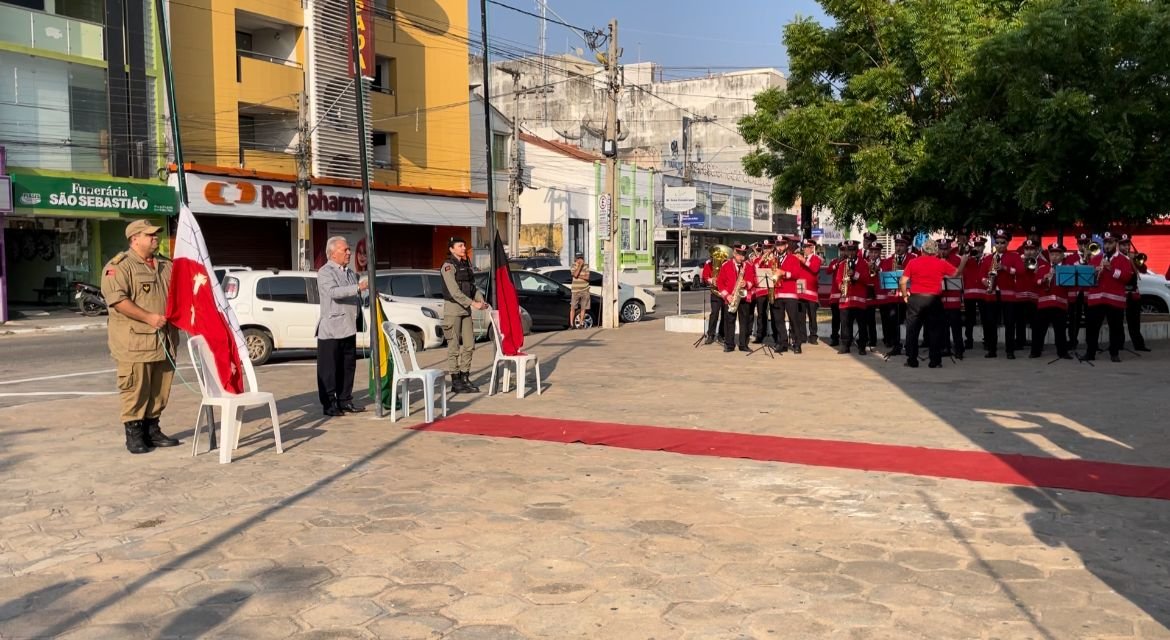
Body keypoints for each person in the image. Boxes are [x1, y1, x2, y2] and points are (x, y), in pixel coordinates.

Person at [101, 219, 182, 454]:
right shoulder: (119, 266)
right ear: (134, 239)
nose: (155, 238)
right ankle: (134, 434)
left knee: (159, 389)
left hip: (164, 340)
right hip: (134, 341)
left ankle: (152, 429)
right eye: (150, 235)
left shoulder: (166, 265)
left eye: (156, 234)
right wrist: (148, 317)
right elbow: (117, 300)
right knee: (135, 389)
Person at [317, 236, 368, 416]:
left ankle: (345, 399)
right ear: (332, 253)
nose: (349, 253)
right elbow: (333, 292)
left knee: (348, 366)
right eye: (344, 250)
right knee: (329, 369)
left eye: (348, 249)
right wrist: (357, 288)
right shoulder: (325, 272)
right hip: (331, 328)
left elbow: (355, 294)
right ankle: (329, 404)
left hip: (348, 326)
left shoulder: (349, 272)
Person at [898, 239, 968, 368]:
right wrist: (963, 261)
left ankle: (912, 360)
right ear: (935, 251)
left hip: (916, 299)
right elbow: (957, 274)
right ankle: (935, 361)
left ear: (922, 250)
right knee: (935, 330)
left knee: (912, 330)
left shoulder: (913, 262)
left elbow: (902, 282)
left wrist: (904, 296)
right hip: (934, 299)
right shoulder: (941, 263)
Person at [441, 237, 488, 391]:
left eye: (464, 245)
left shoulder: (466, 264)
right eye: (460, 246)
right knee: (454, 347)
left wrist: (480, 300)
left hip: (466, 310)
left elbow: (472, 287)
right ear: (451, 249)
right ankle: (455, 381)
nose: (463, 248)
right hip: (453, 310)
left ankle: (465, 376)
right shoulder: (448, 266)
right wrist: (473, 303)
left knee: (469, 345)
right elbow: (454, 292)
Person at [1085, 231, 1134, 362]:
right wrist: (1094, 272)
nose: (1107, 245)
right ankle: (1090, 353)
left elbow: (1126, 278)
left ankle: (1114, 352)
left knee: (1115, 328)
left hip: (1115, 300)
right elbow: (1087, 279)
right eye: (1105, 243)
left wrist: (1111, 268)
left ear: (1116, 244)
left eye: (1110, 242)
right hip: (1096, 299)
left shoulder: (1124, 260)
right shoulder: (1096, 259)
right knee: (1092, 327)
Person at [981, 229, 1024, 359]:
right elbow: (981, 275)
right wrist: (986, 282)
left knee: (1010, 323)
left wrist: (1005, 268)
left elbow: (1021, 271)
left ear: (1007, 243)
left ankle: (1009, 351)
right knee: (991, 323)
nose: (1000, 245)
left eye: (1002, 243)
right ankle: (992, 350)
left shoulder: (1014, 256)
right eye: (997, 243)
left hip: (1008, 295)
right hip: (992, 294)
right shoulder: (989, 258)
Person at [1031, 243, 1073, 359]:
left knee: (1060, 330)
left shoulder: (1066, 268)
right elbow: (1036, 282)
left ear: (1062, 255)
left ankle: (1062, 352)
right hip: (1044, 304)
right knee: (1039, 329)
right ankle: (1035, 351)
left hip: (1060, 304)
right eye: (1052, 254)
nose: (1054, 256)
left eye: (1057, 254)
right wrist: (1044, 278)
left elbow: (1071, 285)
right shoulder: (1043, 267)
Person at [879, 234, 915, 355]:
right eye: (897, 245)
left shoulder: (912, 258)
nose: (898, 247)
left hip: (909, 296)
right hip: (894, 297)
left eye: (901, 245)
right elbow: (883, 275)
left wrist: (902, 271)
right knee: (893, 321)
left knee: (911, 322)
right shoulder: (889, 260)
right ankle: (896, 345)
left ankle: (910, 345)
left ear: (907, 246)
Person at [717, 243, 756, 353]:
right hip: (730, 297)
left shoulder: (748, 266)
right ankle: (729, 344)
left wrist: (746, 283)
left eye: (743, 254)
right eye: (739, 254)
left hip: (743, 297)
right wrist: (727, 295)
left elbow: (753, 280)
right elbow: (720, 283)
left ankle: (743, 344)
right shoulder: (726, 265)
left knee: (744, 322)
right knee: (729, 321)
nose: (741, 257)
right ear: (734, 253)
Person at [770, 236, 806, 353]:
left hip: (790, 294)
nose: (779, 247)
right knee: (778, 320)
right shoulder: (773, 259)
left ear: (786, 246)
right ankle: (783, 343)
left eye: (782, 245)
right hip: (777, 293)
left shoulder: (793, 258)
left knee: (794, 320)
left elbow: (797, 274)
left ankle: (797, 344)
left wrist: (783, 273)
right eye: (778, 245)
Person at [836, 240, 872, 355]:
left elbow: (867, 279)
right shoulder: (842, 264)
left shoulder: (863, 263)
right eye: (848, 250)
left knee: (862, 325)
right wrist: (840, 286)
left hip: (859, 301)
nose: (850, 252)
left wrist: (855, 275)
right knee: (845, 324)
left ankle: (862, 347)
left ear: (857, 251)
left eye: (853, 250)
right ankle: (845, 345)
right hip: (845, 300)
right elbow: (837, 279)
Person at [1119, 235, 1150, 352]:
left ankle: (1139, 345)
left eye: (1127, 245)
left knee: (1135, 321)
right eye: (1123, 245)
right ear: (1118, 246)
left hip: (1133, 293)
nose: (1126, 247)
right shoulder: (1117, 258)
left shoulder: (1132, 257)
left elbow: (1144, 270)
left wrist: (1138, 261)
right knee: (1118, 321)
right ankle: (1118, 344)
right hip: (1121, 292)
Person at [938, 239, 965, 359]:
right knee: (943, 326)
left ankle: (959, 349)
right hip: (940, 299)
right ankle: (945, 347)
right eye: (941, 249)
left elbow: (961, 276)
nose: (943, 251)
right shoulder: (935, 260)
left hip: (954, 299)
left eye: (945, 249)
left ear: (950, 249)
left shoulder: (957, 259)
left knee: (956, 326)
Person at [1014, 239, 1043, 348]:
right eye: (1027, 249)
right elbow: (1016, 272)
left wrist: (1037, 269)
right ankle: (1020, 341)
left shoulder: (1041, 261)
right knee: (1019, 321)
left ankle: (1036, 343)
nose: (1029, 252)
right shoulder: (1018, 260)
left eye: (1032, 249)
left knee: (1035, 322)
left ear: (1036, 250)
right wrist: (1023, 263)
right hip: (1020, 295)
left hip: (1035, 296)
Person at [961, 236, 987, 350]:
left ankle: (987, 340)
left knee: (986, 318)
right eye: (976, 245)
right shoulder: (968, 258)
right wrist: (967, 255)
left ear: (984, 247)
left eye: (980, 246)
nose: (978, 248)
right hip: (969, 293)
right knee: (969, 319)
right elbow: (960, 267)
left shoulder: (987, 258)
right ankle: (969, 340)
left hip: (983, 293)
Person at [798, 239, 823, 344]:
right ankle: (802, 336)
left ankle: (813, 336)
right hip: (801, 288)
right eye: (804, 247)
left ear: (812, 248)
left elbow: (814, 269)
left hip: (811, 292)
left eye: (807, 247)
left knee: (812, 316)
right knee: (801, 316)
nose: (805, 249)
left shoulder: (816, 259)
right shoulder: (801, 258)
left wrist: (803, 260)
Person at [751, 240, 776, 344]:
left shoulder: (775, 259)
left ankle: (776, 335)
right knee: (761, 314)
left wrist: (770, 260)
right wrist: (761, 259)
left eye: (768, 248)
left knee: (775, 313)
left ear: (772, 249)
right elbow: (755, 269)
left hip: (772, 290)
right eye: (765, 248)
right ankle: (760, 335)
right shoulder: (757, 260)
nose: (766, 250)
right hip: (761, 291)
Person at [700, 256, 724, 345]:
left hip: (725, 291)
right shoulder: (708, 263)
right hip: (715, 292)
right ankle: (711, 334)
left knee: (725, 313)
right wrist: (711, 280)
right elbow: (705, 277)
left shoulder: (726, 263)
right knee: (714, 313)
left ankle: (722, 334)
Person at [827, 243, 844, 347]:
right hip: (835, 295)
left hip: (845, 294)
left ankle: (846, 338)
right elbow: (828, 271)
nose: (843, 252)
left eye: (844, 250)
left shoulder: (849, 262)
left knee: (846, 320)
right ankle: (834, 338)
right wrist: (836, 264)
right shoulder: (835, 261)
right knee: (835, 319)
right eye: (841, 250)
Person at [569, 253, 591, 329]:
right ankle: (571, 324)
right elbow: (575, 274)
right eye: (578, 258)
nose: (580, 260)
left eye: (581, 258)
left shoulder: (586, 266)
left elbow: (587, 277)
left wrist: (578, 276)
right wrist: (580, 266)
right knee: (573, 307)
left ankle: (581, 323)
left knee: (583, 307)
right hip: (575, 290)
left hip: (585, 289)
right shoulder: (573, 266)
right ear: (576, 259)